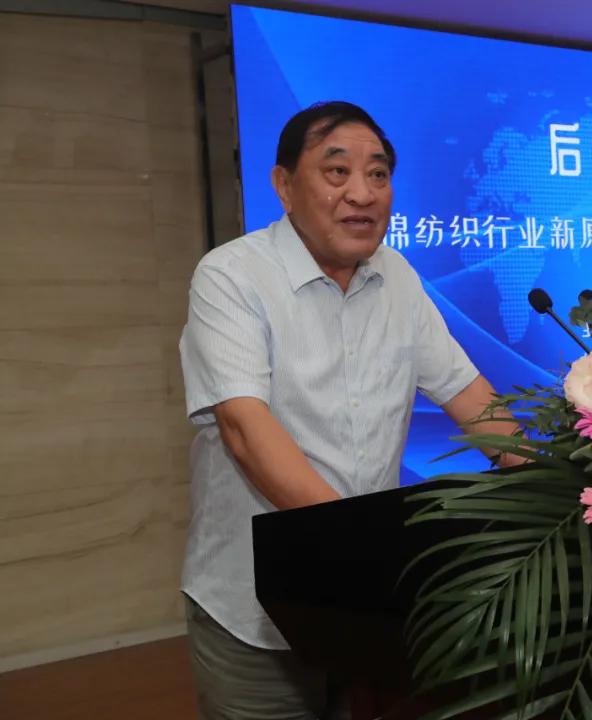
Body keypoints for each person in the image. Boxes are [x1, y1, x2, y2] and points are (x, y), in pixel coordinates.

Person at [179, 101, 518, 720]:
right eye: (337, 172)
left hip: (365, 610)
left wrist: (558, 489)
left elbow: (470, 397)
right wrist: (354, 552)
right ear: (284, 185)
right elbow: (245, 430)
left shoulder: (397, 276)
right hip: (254, 609)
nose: (362, 194)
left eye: (378, 174)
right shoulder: (231, 277)